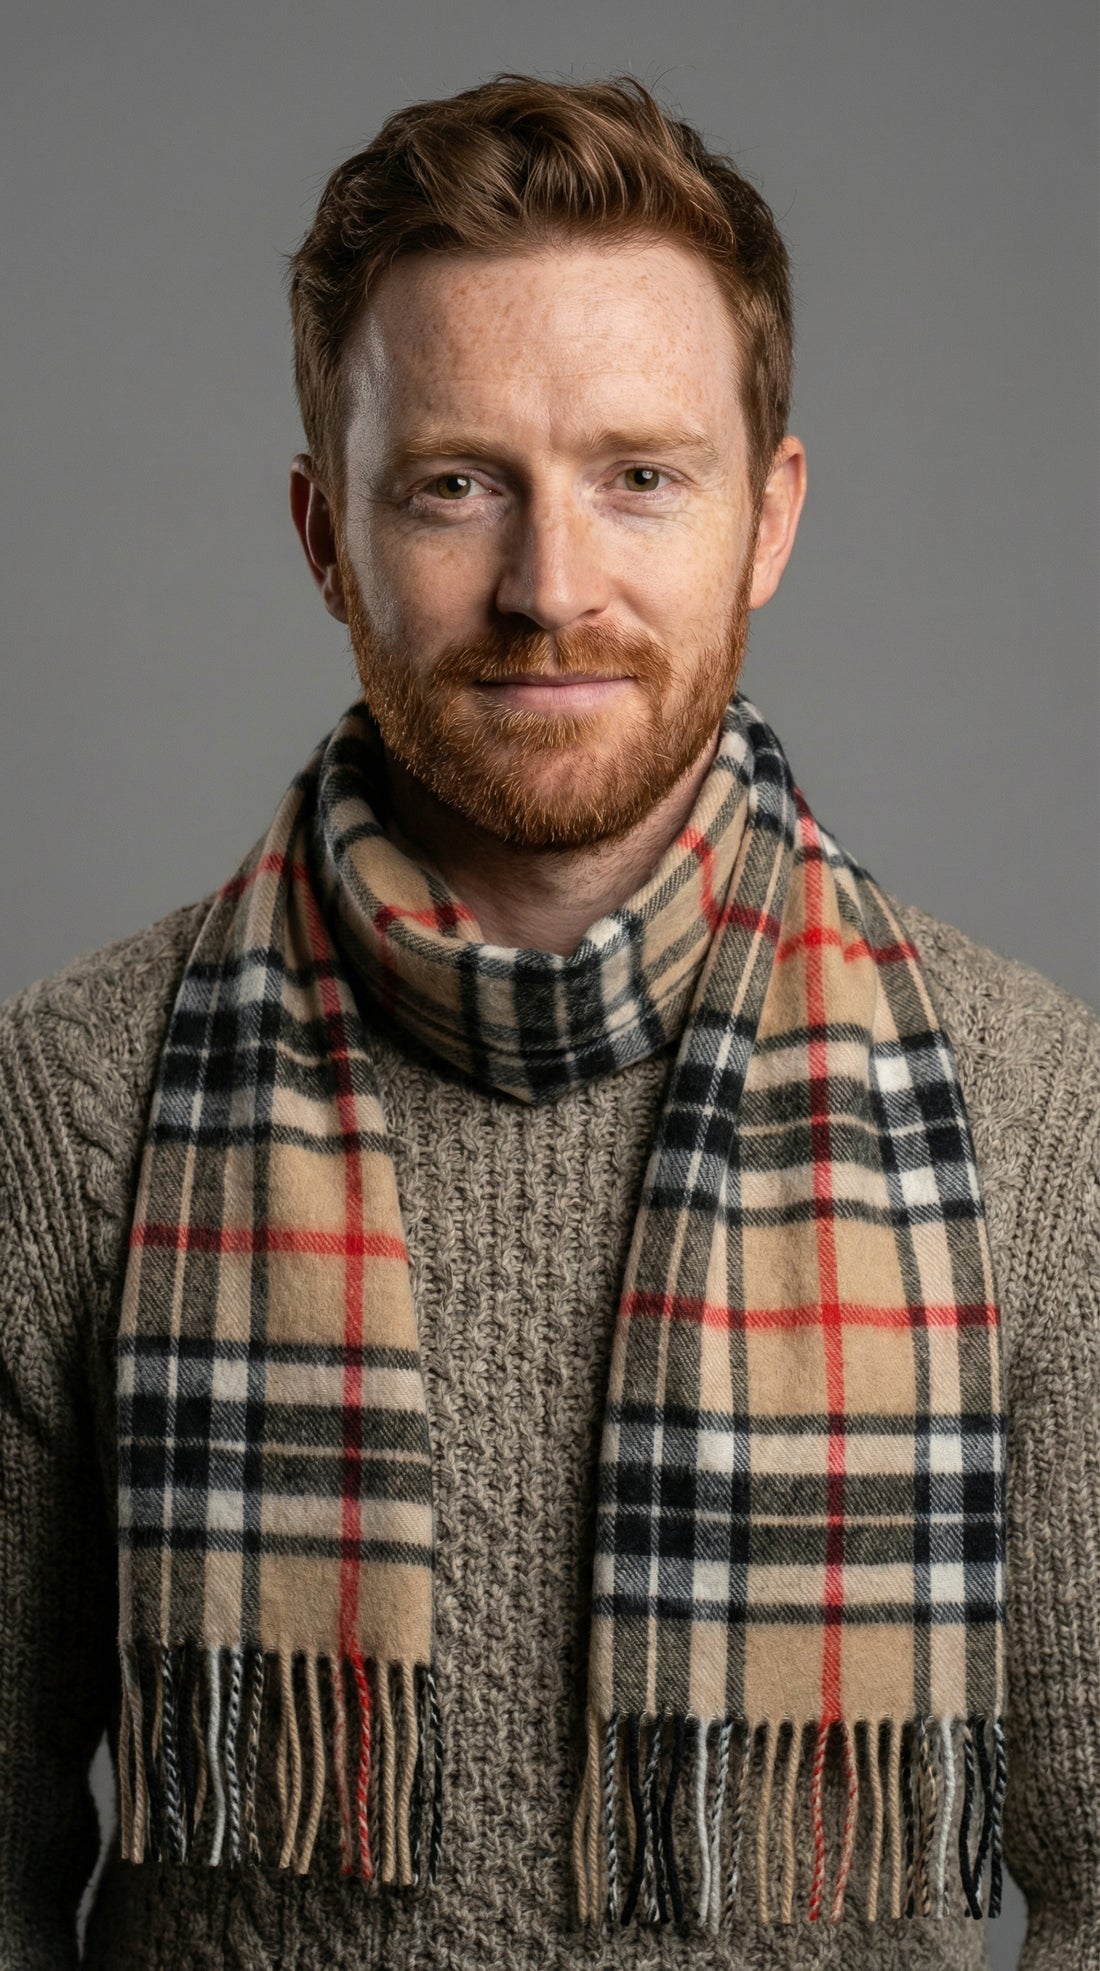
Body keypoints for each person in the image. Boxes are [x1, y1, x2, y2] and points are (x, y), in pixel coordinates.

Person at [0, 72, 1096, 1971]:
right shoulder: (69, 1102)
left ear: (768, 518)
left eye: (639, 477)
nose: (550, 588)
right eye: (456, 485)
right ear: (325, 534)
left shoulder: (1038, 1114)